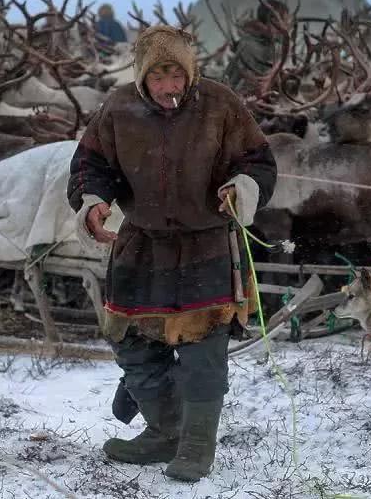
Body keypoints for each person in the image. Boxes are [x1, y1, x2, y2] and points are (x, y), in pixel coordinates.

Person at [67, 25, 276, 482]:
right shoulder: (119, 108)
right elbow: (91, 165)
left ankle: (197, 445)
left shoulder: (220, 104)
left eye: (177, 75)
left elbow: (257, 161)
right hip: (140, 245)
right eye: (159, 76)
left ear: (191, 72)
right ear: (143, 76)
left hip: (206, 245)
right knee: (133, 342)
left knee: (203, 349)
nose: (169, 87)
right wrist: (93, 201)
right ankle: (165, 431)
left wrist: (240, 188)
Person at [225, 0, 290, 94]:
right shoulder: (249, 46)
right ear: (273, 20)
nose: (287, 24)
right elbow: (236, 83)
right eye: (284, 20)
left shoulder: (275, 45)